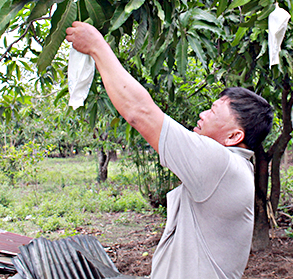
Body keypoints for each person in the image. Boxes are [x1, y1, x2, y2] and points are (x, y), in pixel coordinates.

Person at [65, 21, 273, 279]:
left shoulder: (220, 164)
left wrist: (97, 46)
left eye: (213, 111)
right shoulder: (235, 169)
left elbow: (139, 113)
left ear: (234, 136)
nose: (202, 114)